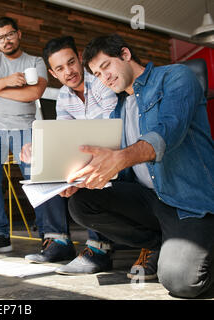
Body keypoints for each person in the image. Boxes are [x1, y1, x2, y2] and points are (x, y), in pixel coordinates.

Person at [62, 33, 214, 298]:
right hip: (151, 201)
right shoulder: (118, 110)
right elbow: (116, 167)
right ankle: (162, 243)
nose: (104, 78)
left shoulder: (176, 77)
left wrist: (121, 157)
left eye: (106, 66)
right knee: (82, 202)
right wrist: (81, 180)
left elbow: (168, 132)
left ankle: (197, 243)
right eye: (97, 74)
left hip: (189, 204)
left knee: (181, 282)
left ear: (125, 54)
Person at [0, 16, 70, 257]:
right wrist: (8, 82)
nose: (6, 40)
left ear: (19, 34)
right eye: (0, 37)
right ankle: (0, 236)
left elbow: (34, 92)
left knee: (37, 179)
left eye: (10, 34)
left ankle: (49, 236)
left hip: (26, 127)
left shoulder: (35, 61)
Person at [21, 35, 119, 271]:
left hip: (112, 153)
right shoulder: (63, 97)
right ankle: (58, 240)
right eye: (60, 68)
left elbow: (111, 129)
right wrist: (41, 149)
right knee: (41, 165)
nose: (69, 71)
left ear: (80, 59)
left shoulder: (101, 82)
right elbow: (65, 137)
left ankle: (99, 247)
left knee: (84, 166)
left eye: (71, 62)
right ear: (53, 74)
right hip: (85, 154)